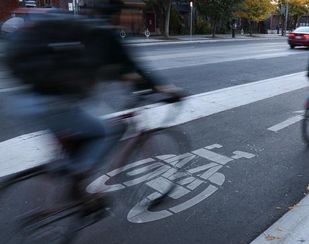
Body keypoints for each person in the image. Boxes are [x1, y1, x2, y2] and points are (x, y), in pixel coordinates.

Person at [5, 1, 184, 206]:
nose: (132, 17)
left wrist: (128, 78)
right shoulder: (105, 34)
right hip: (52, 103)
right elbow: (134, 70)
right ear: (118, 14)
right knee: (106, 132)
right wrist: (167, 90)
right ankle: (77, 185)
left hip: (27, 99)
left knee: (82, 131)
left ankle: (66, 169)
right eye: (129, 12)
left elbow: (118, 72)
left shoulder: (84, 26)